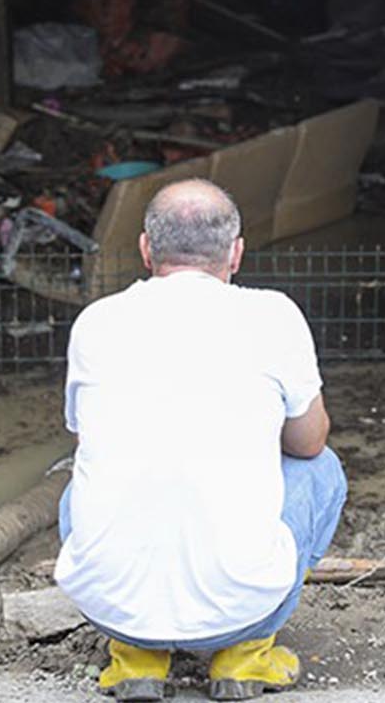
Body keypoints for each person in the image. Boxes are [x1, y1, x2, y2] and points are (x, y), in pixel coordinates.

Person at [54, 178, 347, 702]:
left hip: (115, 610)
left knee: (81, 485)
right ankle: (245, 655)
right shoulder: (273, 316)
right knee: (322, 470)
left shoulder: (96, 323)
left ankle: (136, 656)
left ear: (145, 248)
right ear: (236, 254)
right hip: (239, 609)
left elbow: (85, 438)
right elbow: (308, 444)